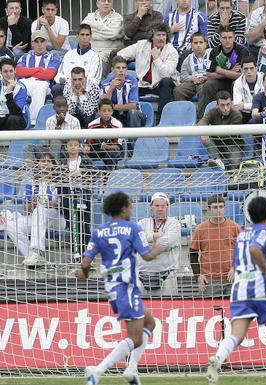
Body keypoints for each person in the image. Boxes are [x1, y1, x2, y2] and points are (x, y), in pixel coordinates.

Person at [76, 191, 164, 385]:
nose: (131, 210)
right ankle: (98, 371)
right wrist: (160, 247)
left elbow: (85, 262)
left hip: (112, 288)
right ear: (124, 208)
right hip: (127, 286)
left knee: (150, 323)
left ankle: (132, 370)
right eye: (130, 207)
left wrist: (85, 274)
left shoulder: (99, 231)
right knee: (135, 338)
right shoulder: (132, 228)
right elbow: (147, 255)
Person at [206, 196, 266, 385]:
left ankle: (219, 358)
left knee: (236, 335)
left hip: (240, 289)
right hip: (262, 290)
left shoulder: (242, 234)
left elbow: (245, 260)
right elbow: (255, 250)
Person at [3, 150, 66, 267]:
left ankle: (37, 251)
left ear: (53, 164)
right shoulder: (31, 183)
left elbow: (65, 205)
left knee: (40, 210)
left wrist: (53, 204)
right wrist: (31, 205)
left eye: (49, 161)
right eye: (43, 161)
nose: (46, 164)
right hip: (37, 218)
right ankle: (33, 257)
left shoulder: (60, 182)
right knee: (10, 225)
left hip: (57, 219)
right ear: (38, 164)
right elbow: (27, 208)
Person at [117, 22, 178, 118]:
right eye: (158, 35)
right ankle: (126, 117)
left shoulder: (172, 51)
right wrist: (124, 67)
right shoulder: (142, 45)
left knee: (166, 81)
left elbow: (167, 74)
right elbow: (121, 54)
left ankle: (161, 118)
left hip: (161, 85)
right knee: (127, 83)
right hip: (143, 84)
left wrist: (157, 59)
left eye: (164, 35)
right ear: (152, 37)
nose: (161, 38)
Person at [189, 194, 241, 297]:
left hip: (232, 277)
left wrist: (236, 268)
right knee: (209, 310)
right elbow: (193, 254)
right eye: (215, 207)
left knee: (234, 310)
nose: (218, 210)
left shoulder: (234, 227)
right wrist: (198, 276)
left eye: (221, 207)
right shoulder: (201, 229)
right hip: (210, 280)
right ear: (209, 209)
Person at [196, 25, 249, 118]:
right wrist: (230, 72)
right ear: (220, 38)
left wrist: (220, 70)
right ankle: (203, 118)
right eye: (224, 37)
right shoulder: (214, 51)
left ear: (234, 38)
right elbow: (208, 74)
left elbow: (240, 75)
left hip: (236, 82)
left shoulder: (242, 51)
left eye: (230, 37)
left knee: (236, 83)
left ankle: (235, 119)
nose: (227, 40)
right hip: (220, 82)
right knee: (208, 85)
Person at [137, 192, 181, 296]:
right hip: (142, 275)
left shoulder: (174, 223)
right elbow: (137, 240)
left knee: (167, 308)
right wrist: (154, 236)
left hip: (166, 276)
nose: (160, 209)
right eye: (157, 206)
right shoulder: (142, 223)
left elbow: (169, 241)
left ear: (167, 207)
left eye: (163, 206)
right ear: (151, 206)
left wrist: (148, 245)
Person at [15, 30, 59, 125]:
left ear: (46, 42)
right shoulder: (25, 56)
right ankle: (16, 120)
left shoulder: (53, 56)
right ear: (32, 44)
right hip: (25, 82)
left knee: (39, 87)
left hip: (43, 83)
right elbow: (18, 72)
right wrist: (39, 69)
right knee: (14, 87)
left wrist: (28, 72)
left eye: (42, 41)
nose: (39, 44)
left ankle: (34, 121)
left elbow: (49, 74)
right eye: (36, 41)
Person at [52, 24, 102, 98]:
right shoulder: (69, 54)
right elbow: (60, 74)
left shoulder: (95, 57)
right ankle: (62, 109)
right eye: (82, 34)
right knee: (56, 88)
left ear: (90, 37)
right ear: (77, 36)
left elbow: (94, 80)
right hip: (68, 86)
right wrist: (62, 79)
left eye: (87, 35)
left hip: (86, 88)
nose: (84, 37)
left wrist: (79, 85)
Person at [197, 90, 244, 168]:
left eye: (228, 104)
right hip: (216, 145)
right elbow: (201, 123)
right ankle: (216, 160)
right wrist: (204, 132)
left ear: (231, 104)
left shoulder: (237, 115)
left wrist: (209, 130)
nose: (225, 108)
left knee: (235, 163)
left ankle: (228, 176)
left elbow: (227, 133)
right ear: (217, 105)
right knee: (204, 136)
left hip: (232, 145)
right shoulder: (212, 112)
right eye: (222, 105)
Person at [100, 55, 147, 128]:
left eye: (123, 68)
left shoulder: (132, 81)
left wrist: (113, 106)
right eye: (118, 68)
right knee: (103, 114)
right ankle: (110, 139)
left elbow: (133, 106)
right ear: (112, 69)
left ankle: (133, 139)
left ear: (126, 70)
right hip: (115, 115)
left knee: (133, 112)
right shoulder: (105, 84)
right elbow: (105, 107)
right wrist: (111, 89)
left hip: (133, 116)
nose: (121, 70)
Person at [173, 32, 212, 119]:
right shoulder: (188, 59)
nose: (198, 45)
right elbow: (183, 76)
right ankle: (185, 117)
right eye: (195, 43)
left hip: (208, 81)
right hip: (193, 82)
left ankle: (202, 118)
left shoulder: (212, 54)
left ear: (206, 44)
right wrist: (192, 78)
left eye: (201, 42)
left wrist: (205, 77)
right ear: (191, 45)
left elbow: (217, 70)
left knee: (203, 88)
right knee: (178, 90)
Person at [81, 0, 124, 75]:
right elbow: (83, 32)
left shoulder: (118, 17)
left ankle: (100, 83)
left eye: (109, 1)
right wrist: (106, 30)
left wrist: (94, 28)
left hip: (109, 51)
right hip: (91, 49)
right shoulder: (89, 16)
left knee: (98, 58)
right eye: (103, 1)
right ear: (97, 4)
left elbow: (113, 33)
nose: (106, 3)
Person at [163, 0, 208, 66]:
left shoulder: (200, 16)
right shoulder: (167, 17)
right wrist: (171, 30)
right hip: (171, 51)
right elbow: (159, 37)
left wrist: (194, 43)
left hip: (191, 52)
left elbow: (205, 38)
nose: (185, 0)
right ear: (176, 1)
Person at [85, 99, 124, 169]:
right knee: (82, 154)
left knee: (111, 154)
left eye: (109, 110)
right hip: (96, 151)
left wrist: (106, 147)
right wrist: (86, 148)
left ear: (112, 111)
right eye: (104, 110)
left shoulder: (117, 125)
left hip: (112, 151)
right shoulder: (92, 125)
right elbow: (88, 144)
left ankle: (108, 177)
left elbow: (118, 147)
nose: (106, 113)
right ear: (99, 111)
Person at [232, 56, 263, 123]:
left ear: (256, 68)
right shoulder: (238, 83)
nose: (249, 71)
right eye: (246, 69)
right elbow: (237, 105)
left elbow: (264, 103)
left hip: (261, 112)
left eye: (251, 68)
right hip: (245, 114)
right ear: (242, 70)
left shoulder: (264, 79)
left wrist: (244, 105)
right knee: (236, 114)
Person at [0, 57, 27, 129]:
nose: (8, 74)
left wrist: (8, 93)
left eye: (11, 71)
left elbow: (16, 112)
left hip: (16, 119)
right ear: (0, 72)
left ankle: (12, 140)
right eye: (5, 71)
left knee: (12, 119)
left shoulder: (21, 88)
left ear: (15, 70)